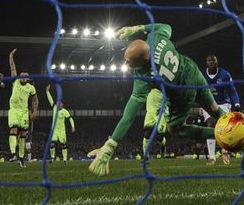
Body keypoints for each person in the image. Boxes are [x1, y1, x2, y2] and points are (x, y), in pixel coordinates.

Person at [88, 23, 225, 176]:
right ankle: (239, 128)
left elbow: (128, 117)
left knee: (175, 129)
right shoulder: (156, 37)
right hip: (192, 71)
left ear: (143, 62)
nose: (126, 63)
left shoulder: (144, 77)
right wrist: (136, 28)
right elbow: (167, 27)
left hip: (182, 94)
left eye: (130, 61)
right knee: (214, 108)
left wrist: (109, 146)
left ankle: (219, 135)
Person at [201, 54, 240, 165]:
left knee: (224, 127)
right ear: (206, 62)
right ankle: (212, 157)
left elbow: (232, 90)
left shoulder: (225, 74)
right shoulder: (202, 75)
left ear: (217, 62)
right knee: (210, 124)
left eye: (213, 60)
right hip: (208, 103)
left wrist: (237, 103)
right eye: (209, 60)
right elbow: (198, 90)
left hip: (223, 103)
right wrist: (199, 105)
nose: (211, 62)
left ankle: (225, 151)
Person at [8, 49, 38, 168]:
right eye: (22, 75)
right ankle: (13, 154)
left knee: (23, 134)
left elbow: (35, 100)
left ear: (28, 78)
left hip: (24, 112)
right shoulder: (15, 81)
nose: (23, 76)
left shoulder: (31, 88)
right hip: (14, 110)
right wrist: (11, 56)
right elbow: (12, 68)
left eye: (25, 76)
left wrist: (35, 112)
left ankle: (21, 158)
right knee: (13, 130)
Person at [46, 85, 75, 164]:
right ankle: (52, 158)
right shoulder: (54, 107)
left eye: (60, 103)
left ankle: (65, 159)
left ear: (62, 104)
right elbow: (50, 100)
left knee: (63, 144)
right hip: (54, 130)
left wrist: (73, 126)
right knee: (52, 143)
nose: (59, 104)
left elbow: (70, 118)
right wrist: (47, 91)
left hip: (62, 130)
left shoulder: (65, 111)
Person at [142, 88, 167, 161]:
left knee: (159, 137)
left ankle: (163, 146)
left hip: (160, 115)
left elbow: (170, 100)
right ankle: (145, 156)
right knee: (147, 135)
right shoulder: (151, 87)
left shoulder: (165, 87)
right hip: (150, 113)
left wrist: (164, 107)